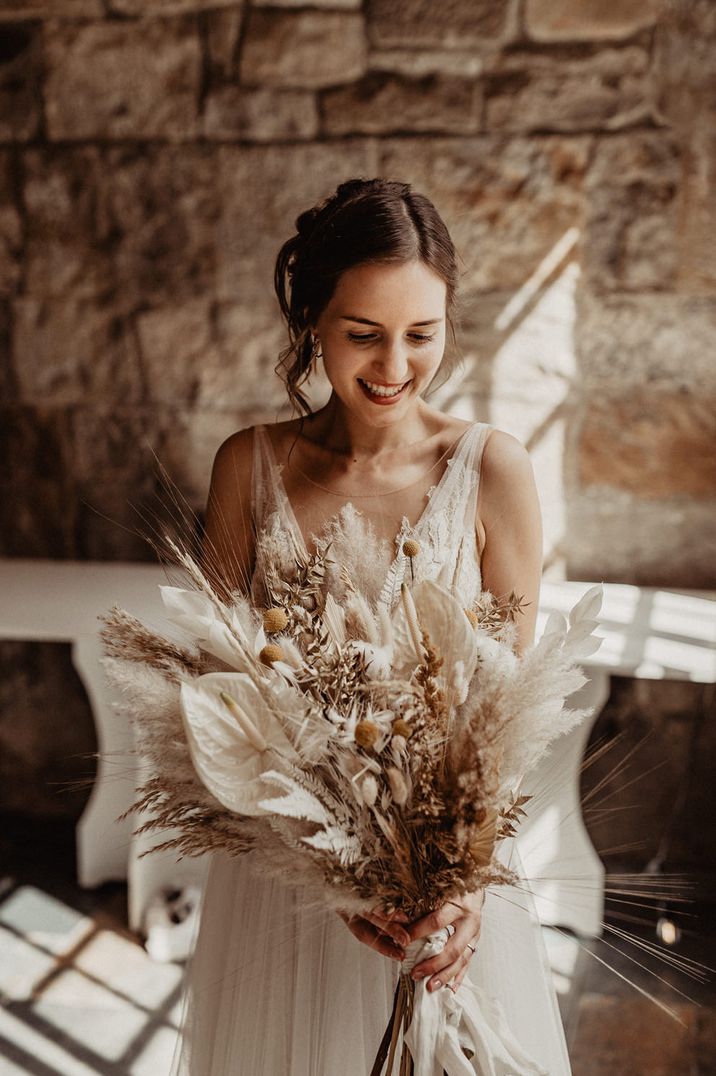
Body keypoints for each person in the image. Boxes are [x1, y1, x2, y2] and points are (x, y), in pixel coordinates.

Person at [171, 178, 571, 1075]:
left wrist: (461, 887)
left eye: (421, 335)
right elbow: (213, 692)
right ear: (313, 318)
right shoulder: (251, 466)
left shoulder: (491, 472)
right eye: (363, 334)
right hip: (288, 886)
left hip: (444, 890)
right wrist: (327, 871)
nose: (394, 365)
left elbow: (505, 718)